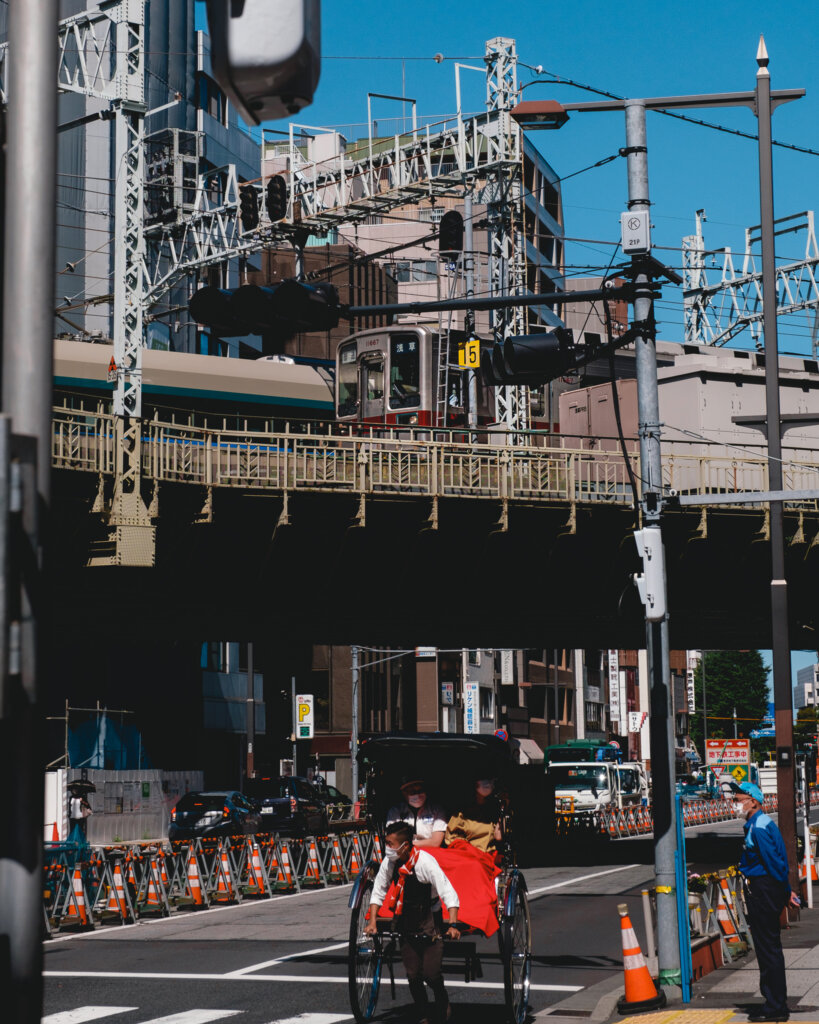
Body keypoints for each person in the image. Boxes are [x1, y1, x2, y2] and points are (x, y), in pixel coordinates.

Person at [365, 821, 460, 1024]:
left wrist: (452, 925)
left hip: (429, 918)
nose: (387, 848)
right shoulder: (390, 862)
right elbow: (379, 890)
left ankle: (441, 997)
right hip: (405, 919)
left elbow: (448, 891)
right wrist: (373, 921)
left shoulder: (425, 862)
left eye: (390, 844)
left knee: (431, 973)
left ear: (405, 846)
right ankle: (423, 1013)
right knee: (413, 974)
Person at [732, 780, 800, 1023]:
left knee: (767, 949)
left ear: (753, 802)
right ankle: (774, 1002)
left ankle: (775, 1007)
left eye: (738, 800)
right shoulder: (761, 823)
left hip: (763, 891)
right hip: (766, 889)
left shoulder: (758, 828)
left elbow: (775, 863)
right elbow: (779, 860)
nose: (734, 805)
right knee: (769, 948)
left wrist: (785, 892)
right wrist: (786, 891)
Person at [444, 777, 504, 853]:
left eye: (491, 779)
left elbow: (498, 836)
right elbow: (452, 840)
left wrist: (504, 806)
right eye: (483, 777)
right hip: (465, 854)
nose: (488, 783)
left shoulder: (495, 809)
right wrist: (471, 851)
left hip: (486, 856)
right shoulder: (461, 811)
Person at [387, 776, 448, 849]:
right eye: (412, 792)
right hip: (403, 852)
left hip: (429, 852)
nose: (417, 795)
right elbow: (392, 840)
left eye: (420, 790)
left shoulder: (437, 810)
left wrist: (409, 844)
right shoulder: (395, 811)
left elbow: (435, 842)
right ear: (404, 793)